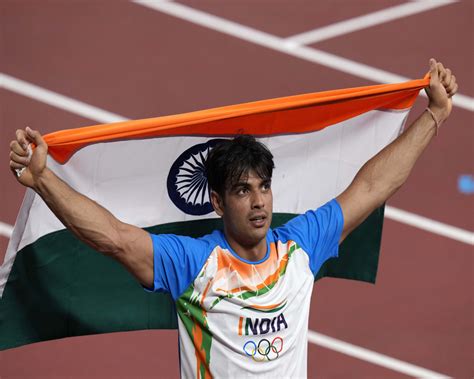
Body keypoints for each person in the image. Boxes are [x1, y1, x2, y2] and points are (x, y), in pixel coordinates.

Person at [9, 59, 457, 377]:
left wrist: (433, 116)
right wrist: (43, 178)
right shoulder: (194, 264)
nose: (259, 201)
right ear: (219, 203)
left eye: (264, 187)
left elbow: (373, 187)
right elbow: (113, 238)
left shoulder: (301, 246)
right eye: (243, 190)